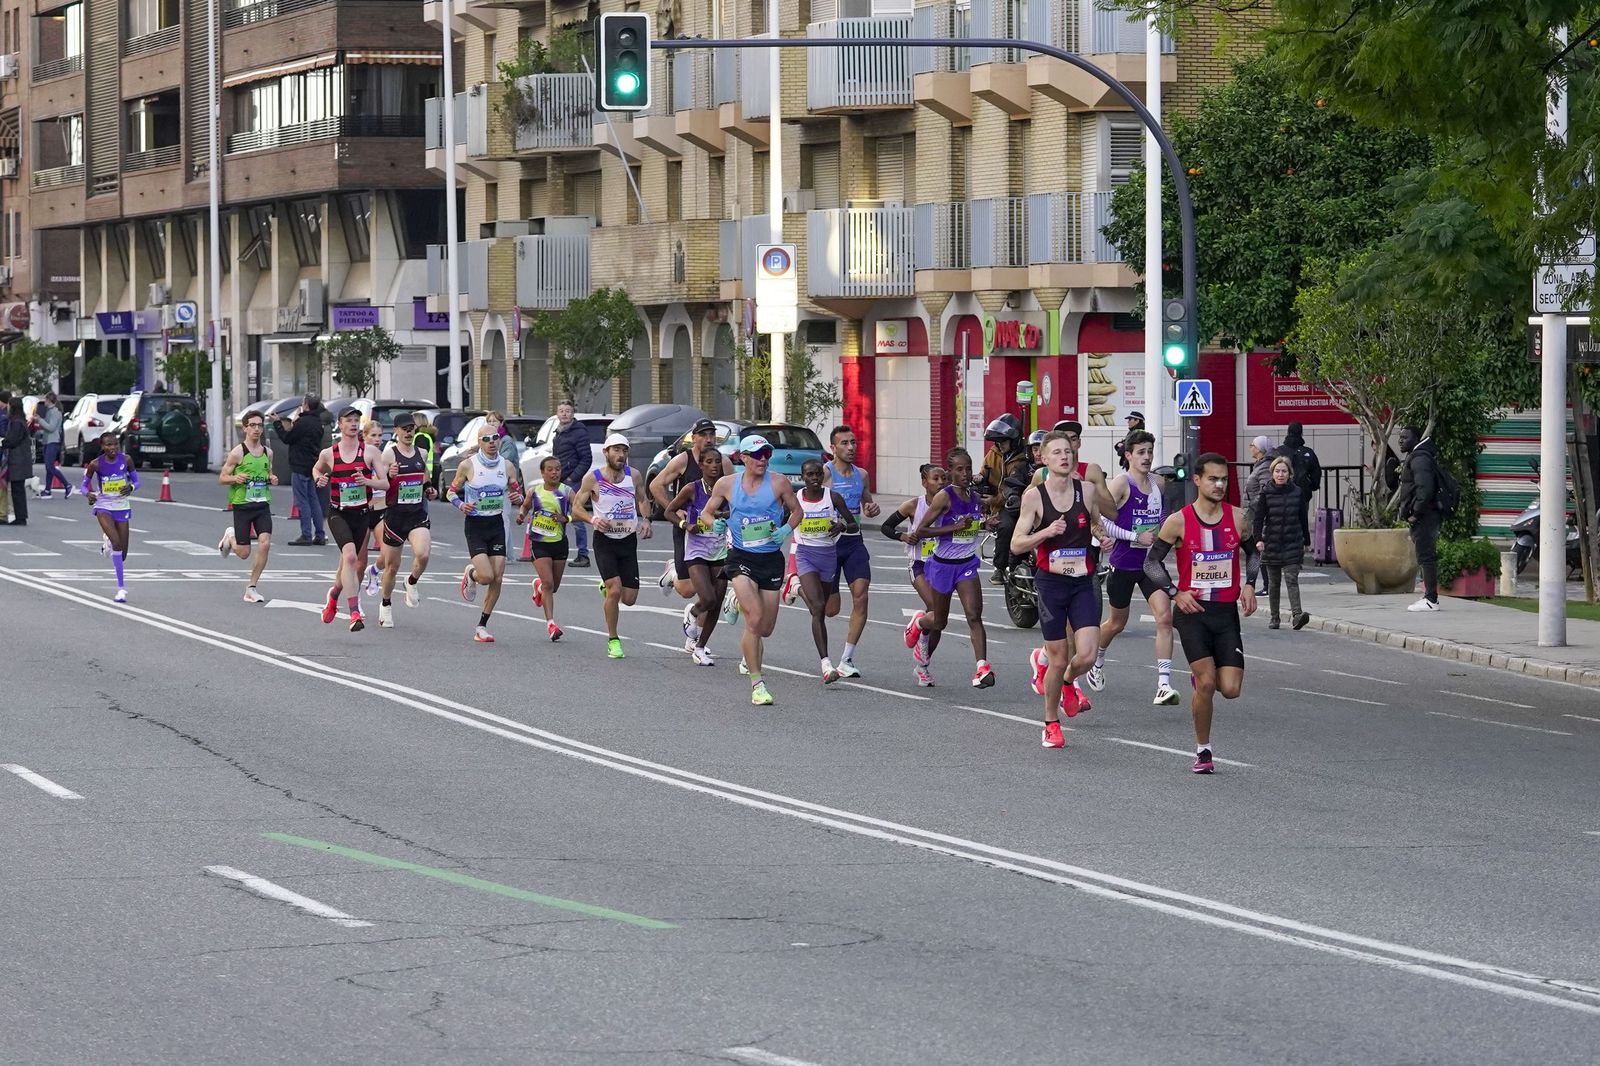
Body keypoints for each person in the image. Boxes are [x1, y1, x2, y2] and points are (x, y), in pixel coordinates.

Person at [1142, 453, 1259, 774]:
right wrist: (1174, 593)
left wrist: (1250, 585)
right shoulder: (1178, 521)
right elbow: (1151, 563)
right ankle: (1203, 751)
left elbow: (1253, 555)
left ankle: (1202, 678)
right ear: (1197, 480)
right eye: (1212, 479)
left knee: (1230, 689)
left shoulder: (1238, 518)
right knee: (1207, 684)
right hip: (1192, 613)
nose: (1219, 485)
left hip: (1225, 614)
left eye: (1223, 479)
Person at [1013, 431, 1106, 748]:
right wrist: (1046, 532)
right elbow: (1016, 544)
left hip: (1082, 581)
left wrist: (1102, 536)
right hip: (1051, 583)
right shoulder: (1034, 497)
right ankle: (1051, 723)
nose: (1064, 456)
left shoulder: (1087, 490)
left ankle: (1068, 681)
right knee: (1058, 657)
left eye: (1068, 451)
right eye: (1056, 452)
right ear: (1044, 458)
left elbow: (1094, 522)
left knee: (1088, 655)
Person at [698, 434, 800, 705]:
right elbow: (706, 513)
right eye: (756, 455)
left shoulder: (779, 482)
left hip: (770, 559)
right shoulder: (727, 484)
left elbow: (797, 511)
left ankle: (735, 601)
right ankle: (758, 684)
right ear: (743, 457)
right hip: (740, 557)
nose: (762, 459)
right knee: (754, 619)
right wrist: (714, 523)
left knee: (765, 628)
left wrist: (786, 529)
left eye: (766, 454)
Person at [1089, 430, 1180, 706]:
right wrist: (1134, 536)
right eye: (1141, 452)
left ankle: (1163, 685)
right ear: (1128, 455)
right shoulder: (1121, 484)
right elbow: (1103, 521)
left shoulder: (1159, 483)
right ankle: (1097, 661)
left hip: (1151, 564)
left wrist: (1166, 532)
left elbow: (1162, 518)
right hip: (1124, 563)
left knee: (1165, 618)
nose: (1147, 457)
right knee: (1117, 623)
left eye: (1150, 451)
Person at [908, 448, 994, 688]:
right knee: (939, 622)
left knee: (974, 615)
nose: (965, 474)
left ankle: (982, 668)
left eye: (968, 469)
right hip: (942, 566)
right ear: (950, 472)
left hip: (966, 564)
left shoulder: (974, 497)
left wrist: (988, 524)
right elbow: (921, 531)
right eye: (959, 469)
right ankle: (919, 624)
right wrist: (954, 528)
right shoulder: (943, 497)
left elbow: (971, 527)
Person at [571, 432, 654, 658]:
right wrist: (593, 519)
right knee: (615, 590)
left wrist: (646, 520)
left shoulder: (634, 475)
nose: (621, 455)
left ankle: (605, 586)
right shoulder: (593, 478)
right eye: (616, 450)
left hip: (627, 540)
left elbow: (642, 499)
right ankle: (613, 640)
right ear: (606, 452)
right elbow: (576, 507)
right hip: (604, 540)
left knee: (629, 599)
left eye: (624, 451)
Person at [311, 408, 386, 632]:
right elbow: (316, 469)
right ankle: (354, 613)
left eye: (356, 420)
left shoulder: (370, 452)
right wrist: (319, 479)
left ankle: (334, 595)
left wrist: (367, 481)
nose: (353, 424)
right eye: (348, 421)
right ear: (340, 424)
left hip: (361, 513)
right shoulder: (329, 453)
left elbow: (385, 484)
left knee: (349, 563)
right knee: (351, 557)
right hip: (339, 512)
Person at [449, 422, 523, 643]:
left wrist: (518, 498)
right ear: (479, 443)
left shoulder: (507, 466)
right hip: (476, 526)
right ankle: (472, 574)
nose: (492, 442)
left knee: (498, 577)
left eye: (495, 438)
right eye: (486, 439)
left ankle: (482, 625)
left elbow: (517, 492)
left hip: (496, 524)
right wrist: (461, 505)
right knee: (486, 577)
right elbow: (451, 492)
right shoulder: (467, 465)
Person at [790, 457, 858, 684]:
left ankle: (796, 588)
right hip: (806, 555)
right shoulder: (796, 499)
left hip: (828, 556)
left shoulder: (833, 497)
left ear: (823, 475)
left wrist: (842, 525)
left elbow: (854, 524)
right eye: (809, 474)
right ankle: (826, 664)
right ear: (803, 477)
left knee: (822, 608)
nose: (815, 478)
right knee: (818, 607)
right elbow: (781, 520)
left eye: (818, 474)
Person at [821, 424, 881, 677]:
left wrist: (871, 508)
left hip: (854, 542)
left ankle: (847, 659)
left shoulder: (862, 475)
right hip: (829, 545)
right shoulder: (825, 474)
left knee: (861, 595)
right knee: (830, 609)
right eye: (844, 443)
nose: (850, 447)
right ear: (833, 448)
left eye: (853, 442)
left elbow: (867, 503)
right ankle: (798, 585)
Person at [881, 464, 949, 685]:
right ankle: (918, 624)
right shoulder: (913, 505)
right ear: (924, 482)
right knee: (935, 610)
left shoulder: (950, 504)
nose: (941, 482)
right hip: (919, 564)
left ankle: (922, 665)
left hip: (943, 566)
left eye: (944, 478)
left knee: (939, 621)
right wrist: (903, 536)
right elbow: (886, 527)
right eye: (936, 478)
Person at [663, 446, 731, 666]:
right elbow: (668, 511)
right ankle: (692, 612)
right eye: (709, 462)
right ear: (701, 465)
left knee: (716, 603)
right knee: (708, 598)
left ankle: (700, 647)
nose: (714, 466)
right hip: (696, 551)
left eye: (717, 462)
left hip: (720, 550)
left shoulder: (727, 488)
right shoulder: (692, 488)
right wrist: (686, 524)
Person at [649, 417, 730, 602]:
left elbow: (735, 491)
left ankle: (699, 613)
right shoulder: (683, 460)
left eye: (712, 435)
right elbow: (655, 485)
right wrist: (674, 509)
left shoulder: (723, 462)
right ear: (693, 438)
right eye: (703, 435)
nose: (708, 439)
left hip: (714, 529)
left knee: (712, 584)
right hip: (687, 528)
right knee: (687, 590)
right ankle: (673, 572)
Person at [375, 414, 436, 629]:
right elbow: (380, 483)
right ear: (396, 431)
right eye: (404, 428)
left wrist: (429, 488)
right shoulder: (389, 454)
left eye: (411, 428)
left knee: (423, 554)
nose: (408, 432)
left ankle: (411, 581)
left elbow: (424, 475)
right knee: (392, 567)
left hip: (417, 513)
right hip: (396, 516)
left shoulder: (422, 452)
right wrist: (389, 476)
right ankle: (386, 604)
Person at [216, 411, 278, 603]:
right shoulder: (238, 453)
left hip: (262, 504)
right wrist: (235, 478)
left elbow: (268, 473)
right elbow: (222, 478)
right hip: (242, 505)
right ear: (245, 428)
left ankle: (251, 587)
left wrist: (272, 478)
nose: (257, 429)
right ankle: (230, 537)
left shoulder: (268, 453)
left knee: (265, 543)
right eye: (252, 425)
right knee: (243, 553)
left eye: (259, 425)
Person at [516, 455, 573, 642]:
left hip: (559, 543)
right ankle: (551, 624)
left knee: (552, 587)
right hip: (539, 543)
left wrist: (567, 518)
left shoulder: (567, 492)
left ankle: (538, 586)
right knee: (548, 583)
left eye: (557, 469)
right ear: (542, 473)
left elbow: (580, 511)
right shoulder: (534, 491)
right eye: (550, 469)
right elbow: (525, 506)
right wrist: (521, 515)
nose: (554, 473)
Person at [80, 431, 138, 601]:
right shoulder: (95, 464)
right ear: (102, 446)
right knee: (117, 543)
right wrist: (88, 494)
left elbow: (137, 481)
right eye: (108, 445)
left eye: (115, 444)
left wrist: (131, 487)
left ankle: (108, 542)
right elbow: (83, 486)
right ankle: (121, 589)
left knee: (122, 554)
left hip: (122, 506)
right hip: (103, 505)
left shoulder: (126, 460)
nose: (112, 448)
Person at [1255, 456, 1309, 630]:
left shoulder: (1297, 492)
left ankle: (1297, 615)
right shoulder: (1266, 492)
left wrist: (1306, 541)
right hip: (1272, 543)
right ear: (1272, 473)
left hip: (1293, 542)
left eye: (1284, 471)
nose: (1280, 474)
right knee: (1274, 582)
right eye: (1277, 471)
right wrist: (1258, 539)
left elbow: (1303, 518)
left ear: (1289, 473)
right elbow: (1258, 518)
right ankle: (1274, 617)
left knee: (1292, 579)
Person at [1397, 425, 1443, 613]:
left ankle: (1431, 599)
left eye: (1405, 437)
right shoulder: (1417, 457)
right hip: (1424, 515)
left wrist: (1415, 513)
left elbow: (1425, 489)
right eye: (1400, 437)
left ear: (1415, 439)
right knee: (1425, 555)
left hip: (1425, 516)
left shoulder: (1419, 459)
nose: (1400, 441)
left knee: (1426, 556)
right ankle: (1429, 597)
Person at [980, 415, 1028, 582]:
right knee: (1006, 526)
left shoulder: (1024, 457)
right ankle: (999, 568)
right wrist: (979, 479)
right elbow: (984, 473)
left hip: (1022, 501)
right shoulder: (993, 453)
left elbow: (1014, 486)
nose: (1000, 445)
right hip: (1002, 507)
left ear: (1014, 440)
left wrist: (994, 500)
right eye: (997, 441)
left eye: (1003, 441)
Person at [275, 393, 329, 545]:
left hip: (299, 464)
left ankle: (306, 534)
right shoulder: (317, 422)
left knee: (302, 501)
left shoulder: (303, 422)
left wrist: (278, 423)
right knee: (313, 500)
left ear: (305, 405)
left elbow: (287, 438)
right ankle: (320, 534)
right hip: (312, 464)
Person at [552, 400, 593, 567]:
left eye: (567, 411)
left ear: (573, 413)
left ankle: (583, 554)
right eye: (561, 411)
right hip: (558, 480)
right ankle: (558, 551)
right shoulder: (558, 432)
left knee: (576, 516)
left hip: (572, 481)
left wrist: (572, 478)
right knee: (558, 516)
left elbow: (586, 458)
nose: (564, 414)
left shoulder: (579, 432)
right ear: (557, 413)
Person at [1274, 422, 1321, 546]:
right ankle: (1300, 544)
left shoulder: (1279, 452)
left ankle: (1282, 544)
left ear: (1288, 432)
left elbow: (1271, 470)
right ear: (1301, 433)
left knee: (1281, 519)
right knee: (1301, 519)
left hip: (1281, 492)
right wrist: (1312, 485)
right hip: (1302, 492)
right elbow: (1316, 473)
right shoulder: (1308, 452)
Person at [1242, 435, 1275, 595]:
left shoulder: (1265, 467)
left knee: (1259, 548)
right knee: (1257, 550)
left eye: (1253, 445)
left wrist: (1252, 506)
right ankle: (1265, 585)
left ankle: (1268, 586)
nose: (1250, 447)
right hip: (1254, 514)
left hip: (1259, 515)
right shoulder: (1260, 465)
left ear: (1260, 449)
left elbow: (1264, 492)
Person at [360, 418, 387, 596]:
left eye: (380, 436)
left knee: (388, 554)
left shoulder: (385, 456)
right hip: (361, 510)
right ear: (364, 436)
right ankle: (351, 599)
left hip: (381, 509)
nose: (377, 440)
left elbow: (389, 483)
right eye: (373, 435)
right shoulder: (357, 455)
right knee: (358, 562)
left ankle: (374, 570)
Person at [3, 395, 32, 525]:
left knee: (17, 489)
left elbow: (13, 440)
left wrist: (3, 443)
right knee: (17, 489)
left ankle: (21, 517)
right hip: (20, 459)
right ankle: (21, 516)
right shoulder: (20, 421)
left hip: (18, 460)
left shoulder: (17, 423)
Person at [36, 393, 70, 498]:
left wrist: (40, 420)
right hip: (47, 441)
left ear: (49, 400)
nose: (44, 402)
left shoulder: (56, 412)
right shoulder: (49, 411)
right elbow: (46, 426)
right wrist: (39, 422)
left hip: (53, 441)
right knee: (48, 467)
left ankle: (67, 484)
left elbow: (51, 428)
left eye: (45, 400)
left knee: (50, 466)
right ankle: (47, 490)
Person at [0, 389, 11, 524]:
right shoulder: (8, 415)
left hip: (2, 452)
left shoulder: (3, 416)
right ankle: (4, 511)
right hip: (5, 452)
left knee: (2, 484)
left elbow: (3, 433)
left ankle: (3, 512)